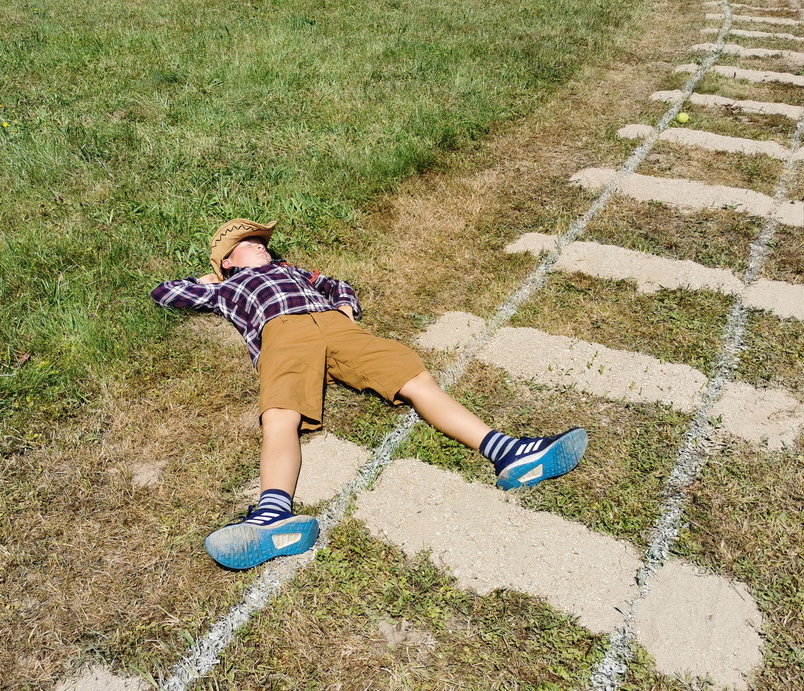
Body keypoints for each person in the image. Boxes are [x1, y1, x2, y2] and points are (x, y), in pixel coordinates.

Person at [151, 218, 587, 570]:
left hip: (337, 328)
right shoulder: (225, 287)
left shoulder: (293, 270)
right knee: (280, 415)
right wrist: (213, 276)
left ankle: (509, 452)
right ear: (228, 261)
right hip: (282, 334)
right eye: (248, 244)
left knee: (415, 378)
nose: (261, 245)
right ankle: (273, 517)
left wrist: (345, 307)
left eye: (262, 240)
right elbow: (165, 293)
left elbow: (336, 284)